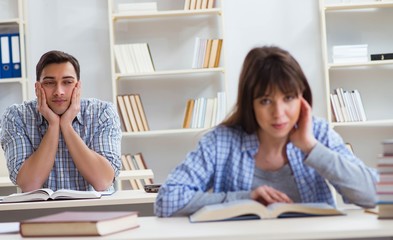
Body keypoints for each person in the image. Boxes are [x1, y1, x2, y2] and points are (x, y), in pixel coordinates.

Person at [154, 46, 378, 217]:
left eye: (288, 98)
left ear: (302, 98)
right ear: (250, 103)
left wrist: (311, 147)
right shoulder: (220, 141)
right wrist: (245, 199)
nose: (279, 113)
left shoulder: (318, 133)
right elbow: (167, 200)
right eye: (265, 101)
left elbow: (375, 195)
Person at [0, 50, 122, 192]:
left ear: (78, 86)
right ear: (37, 88)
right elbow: (29, 184)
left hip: (94, 212)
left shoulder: (103, 112)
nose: (59, 91)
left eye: (67, 82)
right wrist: (53, 125)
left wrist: (66, 125)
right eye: (50, 83)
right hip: (40, 213)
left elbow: (103, 181)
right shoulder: (16, 116)